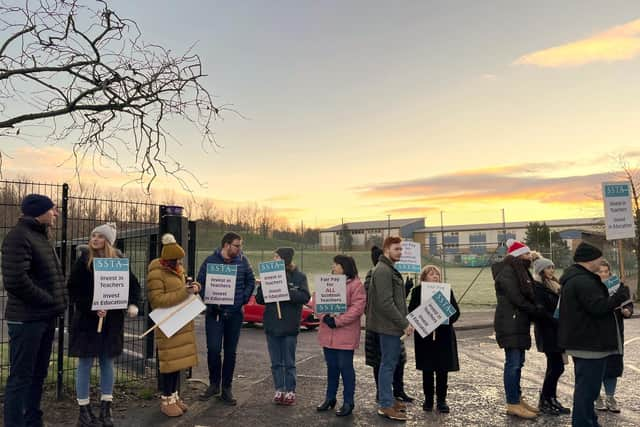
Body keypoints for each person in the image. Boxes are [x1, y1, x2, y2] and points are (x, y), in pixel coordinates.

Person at [1, 194, 67, 427]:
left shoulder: (40, 236)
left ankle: (32, 421)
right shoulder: (19, 237)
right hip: (27, 320)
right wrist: (48, 300)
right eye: (53, 209)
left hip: (44, 318)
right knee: (21, 378)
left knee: (37, 375)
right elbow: (16, 280)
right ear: (39, 211)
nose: (56, 213)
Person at [67, 223, 142, 427]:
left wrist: (133, 304)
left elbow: (133, 287)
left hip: (111, 323)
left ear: (108, 241)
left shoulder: (119, 263)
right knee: (84, 364)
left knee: (108, 363)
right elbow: (73, 291)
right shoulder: (83, 262)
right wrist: (92, 307)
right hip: (87, 323)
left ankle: (106, 410)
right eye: (93, 235)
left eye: (100, 236)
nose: (95, 239)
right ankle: (84, 411)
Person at [558, 242, 630, 427]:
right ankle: (583, 422)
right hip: (589, 343)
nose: (601, 261)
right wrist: (619, 296)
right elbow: (598, 308)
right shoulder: (583, 281)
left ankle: (589, 421)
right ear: (590, 260)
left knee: (588, 389)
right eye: (599, 257)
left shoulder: (579, 278)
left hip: (586, 342)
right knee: (587, 391)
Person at [197, 232, 255, 405]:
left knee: (231, 352)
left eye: (240, 246)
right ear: (226, 245)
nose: (239, 248)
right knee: (214, 350)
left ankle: (227, 388)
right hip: (215, 314)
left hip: (235, 315)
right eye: (237, 245)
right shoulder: (210, 261)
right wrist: (210, 300)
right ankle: (214, 384)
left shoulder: (243, 261)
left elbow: (251, 282)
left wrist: (242, 299)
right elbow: (200, 282)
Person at [147, 233, 201, 417]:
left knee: (178, 363)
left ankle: (175, 396)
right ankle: (166, 399)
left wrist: (194, 287)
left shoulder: (178, 269)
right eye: (176, 260)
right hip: (168, 323)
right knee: (169, 363)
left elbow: (181, 289)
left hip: (181, 322)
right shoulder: (156, 273)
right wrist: (184, 293)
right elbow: (157, 300)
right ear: (167, 260)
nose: (179, 262)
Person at [491, 239, 543, 419]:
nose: (530, 256)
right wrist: (536, 310)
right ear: (518, 255)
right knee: (513, 364)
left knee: (518, 363)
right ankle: (512, 403)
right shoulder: (508, 272)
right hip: (510, 322)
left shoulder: (519, 270)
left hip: (517, 322)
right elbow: (517, 298)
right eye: (527, 253)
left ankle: (517, 398)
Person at [366, 236, 413, 422]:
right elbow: (385, 303)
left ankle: (389, 399)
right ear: (387, 250)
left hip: (391, 325)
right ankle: (386, 405)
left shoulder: (387, 268)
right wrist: (404, 323)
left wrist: (406, 320)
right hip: (388, 326)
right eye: (396, 249)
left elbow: (397, 300)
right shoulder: (383, 270)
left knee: (389, 364)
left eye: (401, 249)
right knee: (387, 365)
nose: (400, 252)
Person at [255, 247, 310, 406]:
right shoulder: (269, 276)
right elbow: (259, 299)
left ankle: (290, 390)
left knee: (289, 362)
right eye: (273, 257)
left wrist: (285, 291)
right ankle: (279, 388)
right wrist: (265, 287)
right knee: (276, 362)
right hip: (272, 325)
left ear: (285, 259)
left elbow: (305, 297)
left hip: (290, 326)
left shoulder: (299, 277)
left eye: (277, 257)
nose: (274, 260)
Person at [314, 255, 366, 417]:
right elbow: (315, 301)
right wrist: (324, 317)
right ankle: (330, 398)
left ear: (345, 267)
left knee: (346, 368)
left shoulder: (356, 285)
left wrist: (338, 321)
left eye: (336, 264)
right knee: (332, 368)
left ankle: (348, 402)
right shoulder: (327, 282)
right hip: (327, 334)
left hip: (345, 335)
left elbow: (357, 308)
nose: (333, 267)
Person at [408, 265, 460, 413]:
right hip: (425, 336)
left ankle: (442, 400)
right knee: (428, 368)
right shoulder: (417, 291)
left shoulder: (446, 291)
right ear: (424, 277)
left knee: (442, 369)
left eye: (437, 274)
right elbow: (412, 310)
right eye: (431, 274)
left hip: (443, 335)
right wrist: (426, 316)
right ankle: (428, 399)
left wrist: (443, 317)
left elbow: (455, 313)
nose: (435, 276)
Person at [594, 259, 633, 414]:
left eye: (606, 271)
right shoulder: (591, 287)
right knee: (596, 366)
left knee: (613, 365)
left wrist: (627, 311)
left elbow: (627, 303)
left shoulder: (620, 286)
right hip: (596, 332)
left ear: (610, 272)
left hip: (615, 330)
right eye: (600, 271)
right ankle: (596, 397)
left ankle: (610, 397)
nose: (603, 274)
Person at [531, 255, 570, 416]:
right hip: (548, 332)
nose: (551, 270)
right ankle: (546, 399)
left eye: (552, 267)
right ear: (540, 270)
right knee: (556, 367)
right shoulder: (539, 287)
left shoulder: (555, 284)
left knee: (555, 367)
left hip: (557, 331)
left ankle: (550, 398)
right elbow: (541, 311)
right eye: (548, 267)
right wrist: (556, 320)